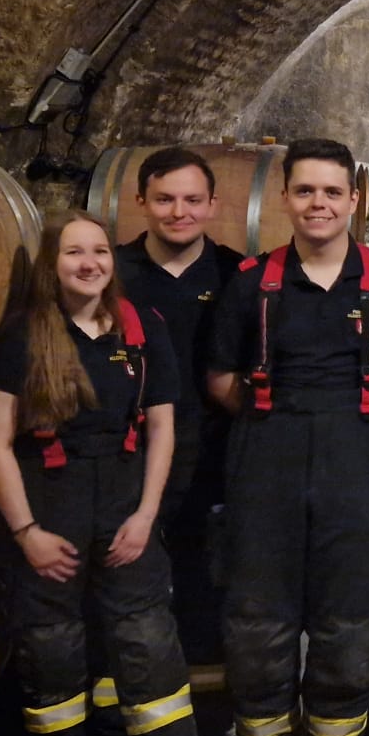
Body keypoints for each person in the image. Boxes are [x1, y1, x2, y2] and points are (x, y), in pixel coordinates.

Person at [0, 211, 241, 736]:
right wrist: (27, 532)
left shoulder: (141, 329)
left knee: (151, 650)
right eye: (74, 252)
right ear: (53, 264)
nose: (89, 263)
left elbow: (162, 429)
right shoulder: (22, 338)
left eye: (99, 250)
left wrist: (147, 515)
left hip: (125, 511)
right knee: (54, 654)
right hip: (52, 509)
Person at [206, 139, 369, 736]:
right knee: (258, 622)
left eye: (332, 192)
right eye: (305, 191)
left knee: (350, 622)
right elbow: (220, 379)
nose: (319, 205)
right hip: (264, 465)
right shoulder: (251, 285)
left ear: (354, 202)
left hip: (357, 467)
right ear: (285, 199)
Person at [112, 147, 244, 669]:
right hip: (131, 447)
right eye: (164, 199)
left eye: (192, 199)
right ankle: (132, 687)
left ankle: (204, 693)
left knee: (204, 573)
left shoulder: (236, 273)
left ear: (212, 204)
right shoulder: (114, 272)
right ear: (141, 200)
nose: (179, 211)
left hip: (211, 447)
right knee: (129, 574)